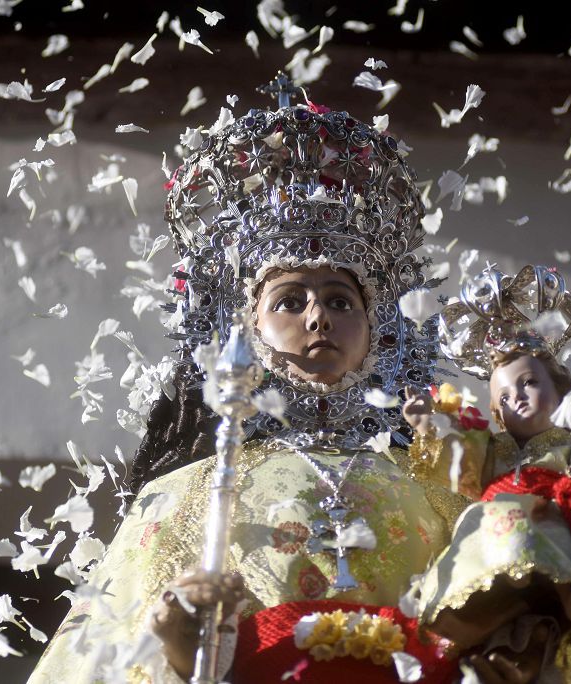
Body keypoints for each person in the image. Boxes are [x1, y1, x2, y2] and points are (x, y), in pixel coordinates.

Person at [27, 87, 527, 683]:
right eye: (289, 301)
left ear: (379, 330)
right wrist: (184, 646)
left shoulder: (443, 486)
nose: (318, 319)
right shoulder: (188, 496)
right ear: (246, 327)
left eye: (341, 300)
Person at [401, 266, 571, 683]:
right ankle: (473, 615)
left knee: (545, 520)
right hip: (496, 549)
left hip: (547, 528)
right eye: (504, 395)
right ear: (496, 412)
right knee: (481, 526)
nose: (516, 398)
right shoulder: (489, 449)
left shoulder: (566, 449)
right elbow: (455, 469)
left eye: (529, 383)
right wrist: (429, 428)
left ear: (560, 394)